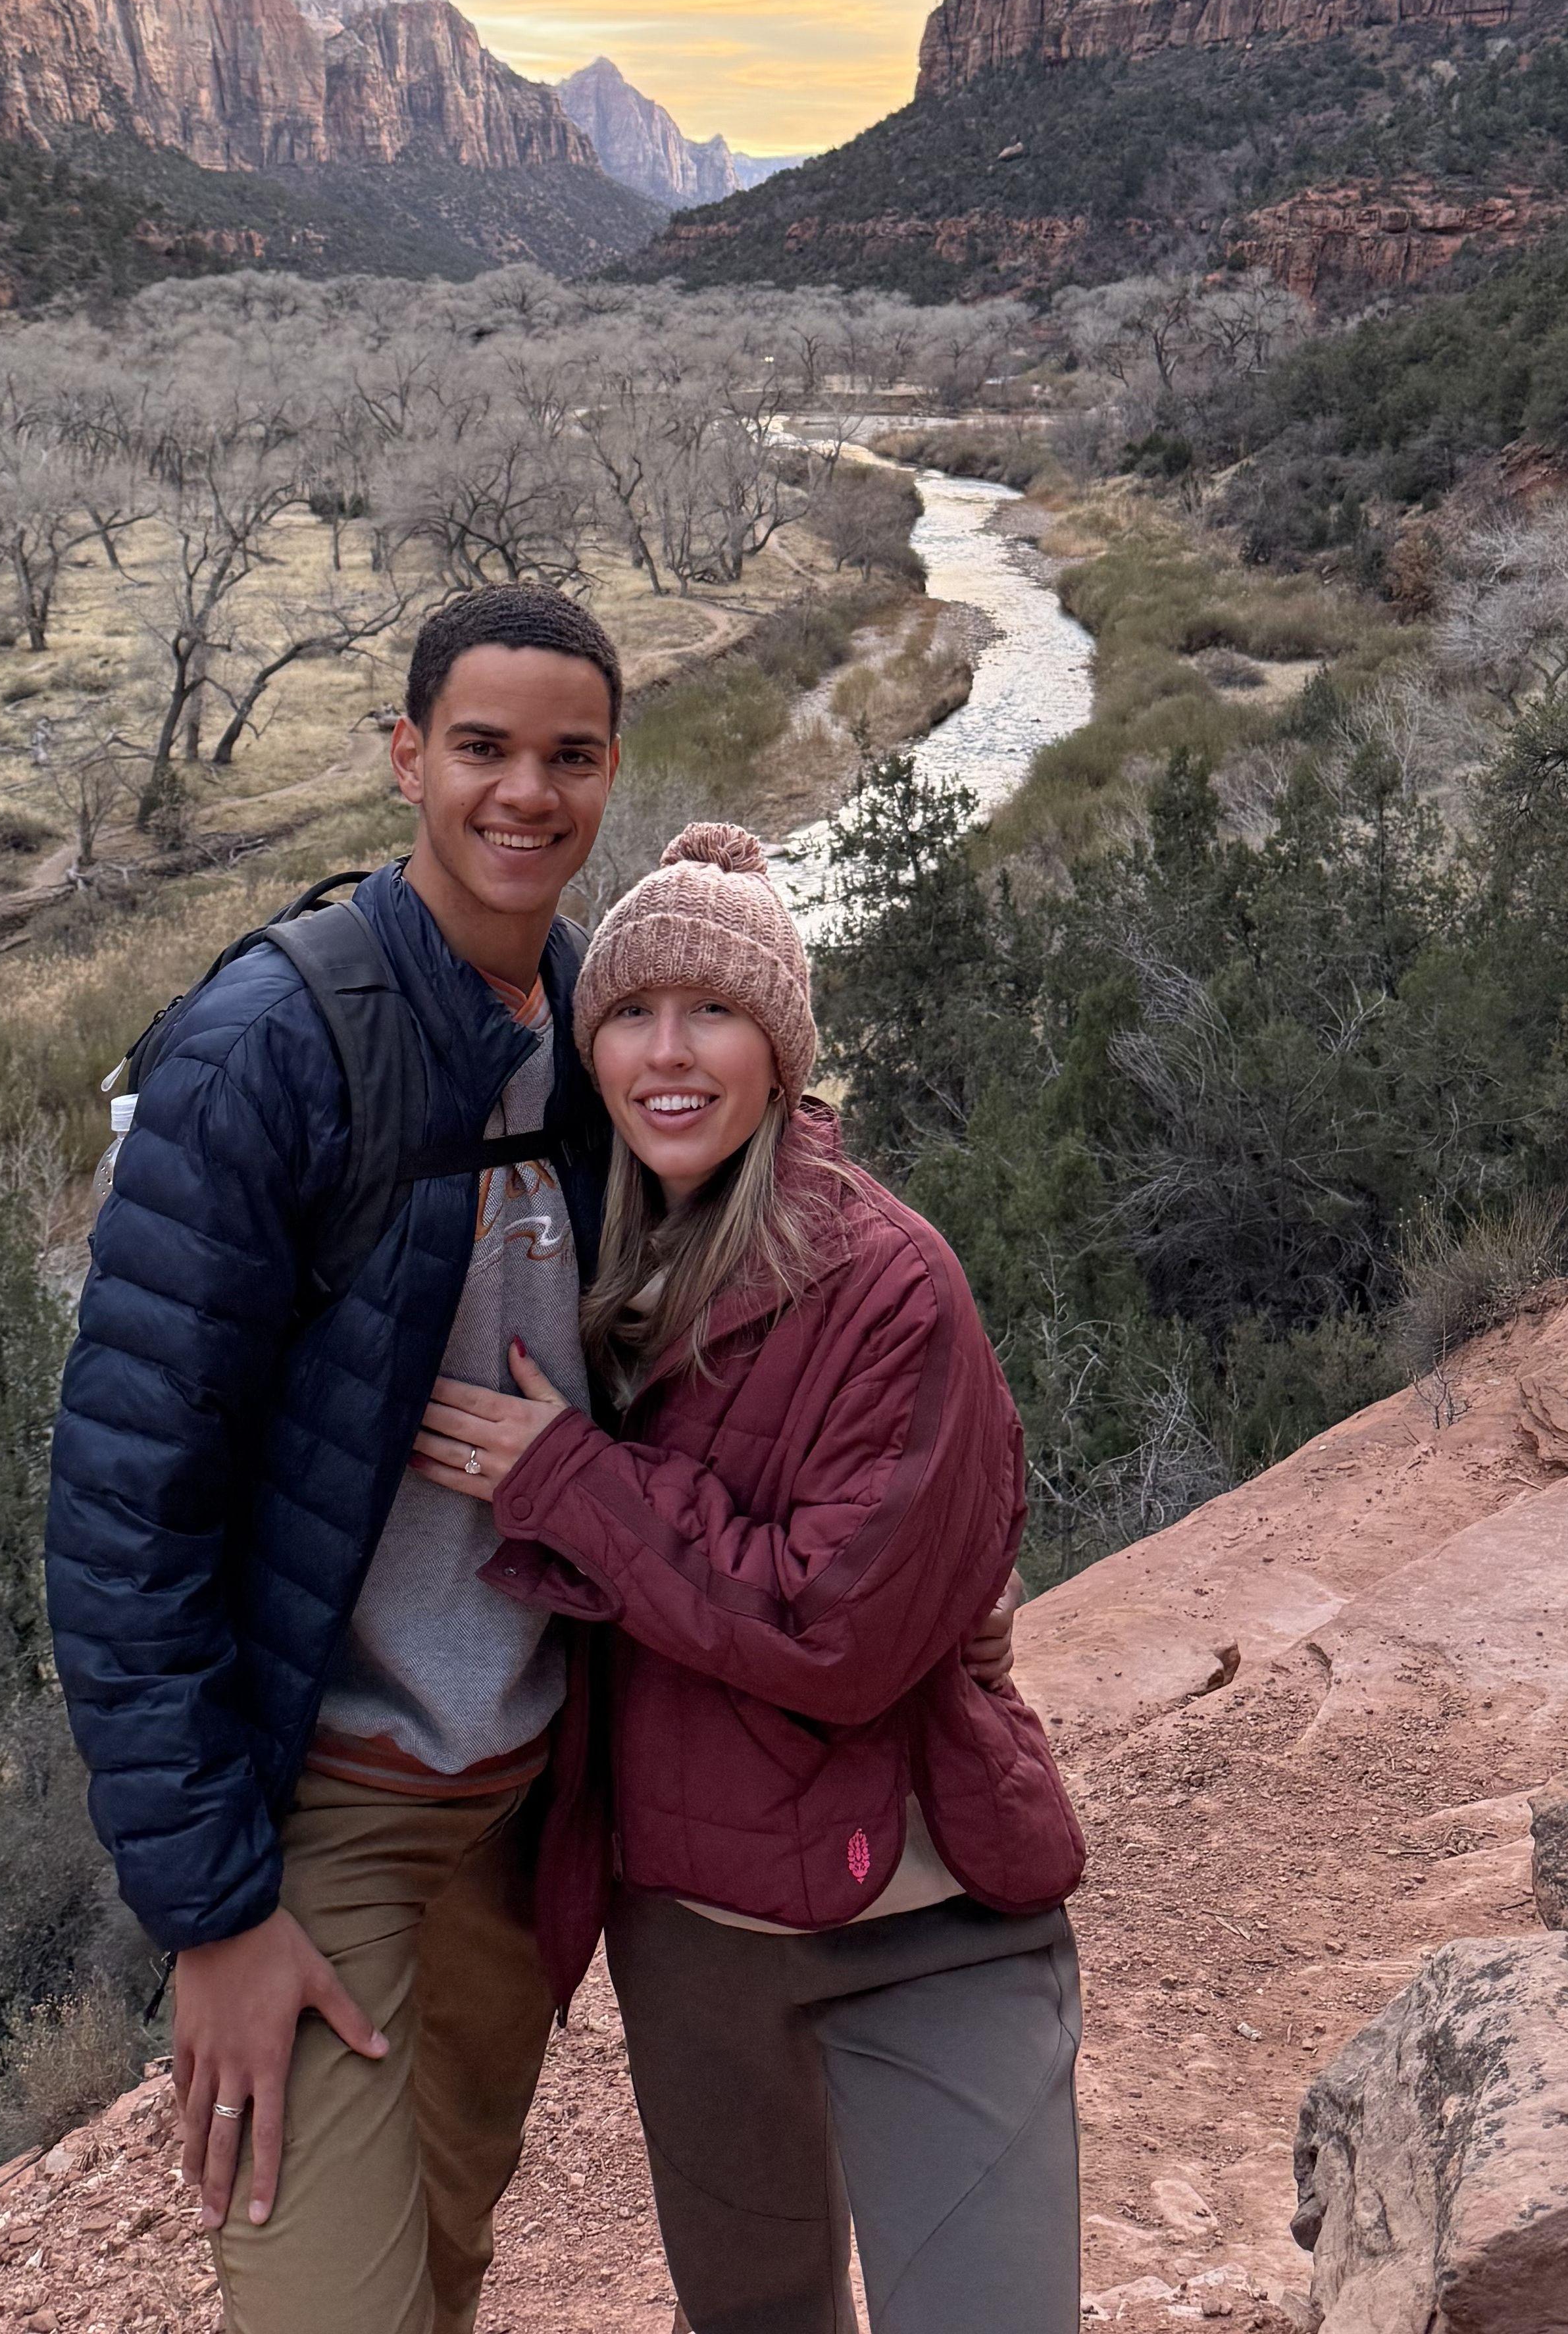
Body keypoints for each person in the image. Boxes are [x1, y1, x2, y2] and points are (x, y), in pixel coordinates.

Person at [416, 819, 1091, 2334]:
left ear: (783, 1056)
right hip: (694, 1935)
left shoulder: (888, 1279)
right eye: (634, 1016)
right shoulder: (582, 1258)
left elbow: (830, 1625)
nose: (669, 1053)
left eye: (716, 1014)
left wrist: (567, 1483)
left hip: (932, 1919)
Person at [43, 584, 626, 2334]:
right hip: (336, 1817)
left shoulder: (600, 1030)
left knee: (448, 2253)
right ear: (405, 759)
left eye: (569, 756)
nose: (525, 794)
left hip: (528, 1791)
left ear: (609, 776)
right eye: (482, 749)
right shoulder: (270, 1048)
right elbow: (121, 1516)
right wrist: (214, 1913)